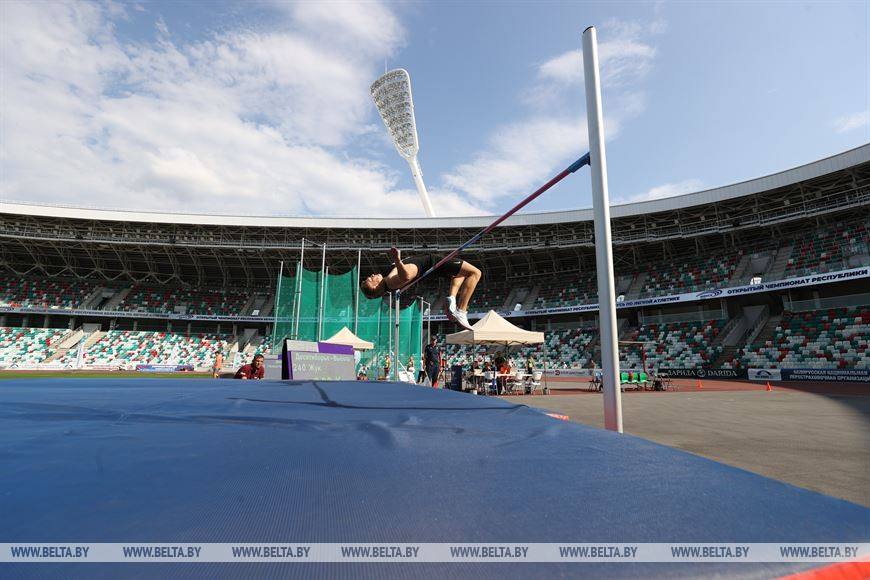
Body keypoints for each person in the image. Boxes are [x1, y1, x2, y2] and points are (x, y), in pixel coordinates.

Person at [360, 247, 481, 330]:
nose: (371, 275)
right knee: (475, 273)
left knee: (460, 273)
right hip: (432, 262)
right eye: (369, 280)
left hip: (430, 262)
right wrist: (397, 260)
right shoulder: (390, 281)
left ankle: (452, 298)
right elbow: (405, 276)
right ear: (376, 287)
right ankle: (461, 311)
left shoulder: (387, 280)